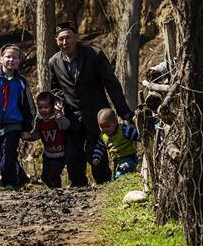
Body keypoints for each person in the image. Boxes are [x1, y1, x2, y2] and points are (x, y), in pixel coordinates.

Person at [48, 20, 133, 186]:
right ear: (56, 41)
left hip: (97, 116)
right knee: (72, 158)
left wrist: (123, 111)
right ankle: (79, 191)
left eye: (68, 38)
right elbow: (56, 88)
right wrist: (58, 101)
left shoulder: (94, 54)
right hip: (72, 117)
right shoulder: (54, 62)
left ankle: (104, 188)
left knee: (96, 155)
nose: (64, 43)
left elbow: (111, 84)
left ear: (76, 37)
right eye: (60, 39)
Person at [0, 44, 36, 189]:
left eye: (15, 58)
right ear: (1, 59)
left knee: (9, 153)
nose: (11, 60)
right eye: (8, 57)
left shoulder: (21, 81)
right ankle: (21, 177)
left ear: (19, 61)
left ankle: (9, 183)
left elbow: (29, 106)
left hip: (14, 124)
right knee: (1, 155)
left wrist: (27, 128)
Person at [22, 91, 70, 188]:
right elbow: (37, 134)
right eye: (40, 108)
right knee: (44, 177)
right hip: (48, 154)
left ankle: (57, 192)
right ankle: (54, 191)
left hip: (60, 154)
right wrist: (28, 136)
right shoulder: (39, 120)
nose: (43, 110)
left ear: (52, 106)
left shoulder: (57, 117)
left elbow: (66, 126)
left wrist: (59, 116)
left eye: (46, 107)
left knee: (53, 175)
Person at [91, 108, 140, 179]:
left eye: (108, 126)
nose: (105, 129)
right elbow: (99, 148)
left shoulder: (123, 130)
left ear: (116, 122)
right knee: (116, 176)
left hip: (129, 157)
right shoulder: (103, 137)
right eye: (102, 127)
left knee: (122, 173)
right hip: (117, 161)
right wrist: (96, 157)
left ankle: (127, 180)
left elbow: (136, 135)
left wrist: (144, 139)